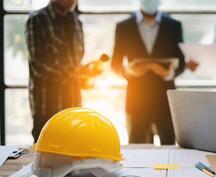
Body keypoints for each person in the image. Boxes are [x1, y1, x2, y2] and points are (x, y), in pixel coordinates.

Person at [111, 0, 185, 144]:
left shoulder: (174, 26)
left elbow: (181, 62)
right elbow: (115, 64)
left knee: (169, 150)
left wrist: (168, 73)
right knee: (138, 151)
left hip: (165, 100)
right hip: (137, 100)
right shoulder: (123, 27)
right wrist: (129, 72)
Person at [26, 0, 98, 142]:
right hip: (46, 106)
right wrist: (74, 74)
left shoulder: (76, 22)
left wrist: (86, 75)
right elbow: (39, 65)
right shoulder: (37, 20)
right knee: (45, 156)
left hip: (73, 107)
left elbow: (75, 64)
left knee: (74, 152)